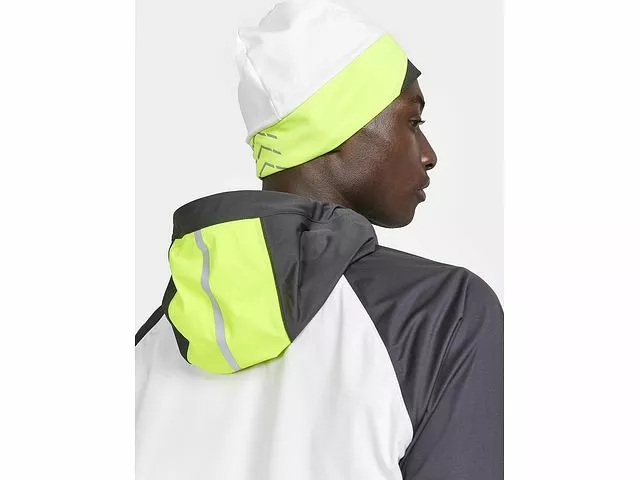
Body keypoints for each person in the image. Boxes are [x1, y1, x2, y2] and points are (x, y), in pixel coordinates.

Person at [135, 1, 503, 479]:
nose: (428, 155)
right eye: (413, 123)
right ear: (337, 129)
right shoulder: (442, 312)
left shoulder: (158, 339)